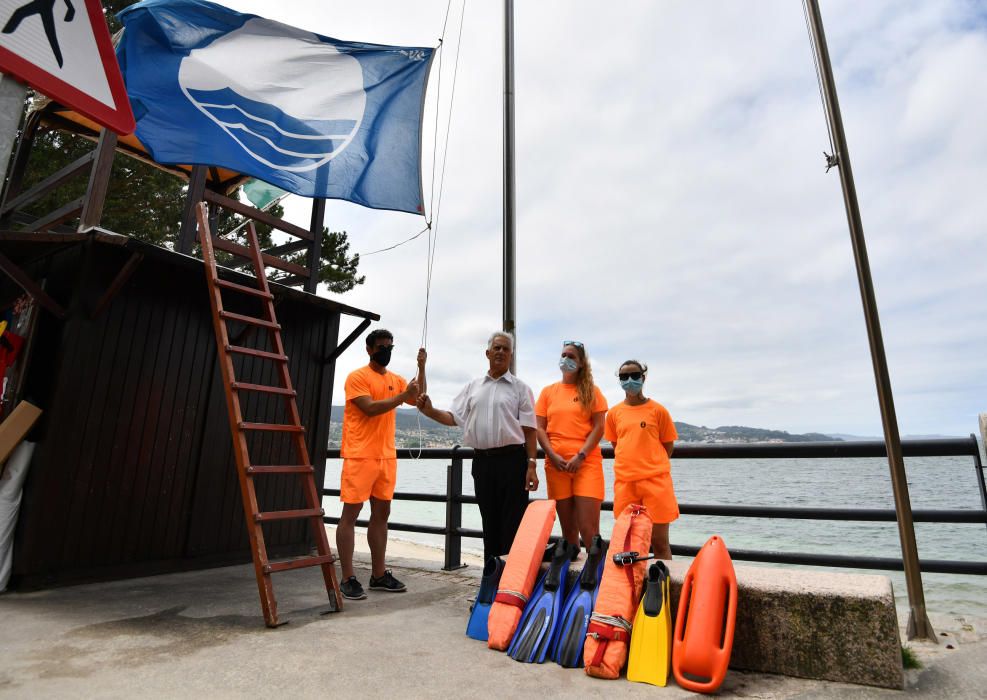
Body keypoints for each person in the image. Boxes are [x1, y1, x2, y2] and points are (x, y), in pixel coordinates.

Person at [416, 331, 539, 560]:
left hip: (513, 461)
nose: (501, 352)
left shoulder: (521, 389)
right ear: (488, 353)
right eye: (497, 348)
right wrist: (429, 410)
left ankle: (509, 585)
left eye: (506, 349)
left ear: (511, 355)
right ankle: (490, 581)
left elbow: (530, 430)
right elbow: (453, 417)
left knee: (512, 524)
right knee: (489, 522)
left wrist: (531, 464)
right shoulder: (473, 387)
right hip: (482, 462)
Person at [337, 328, 423, 600]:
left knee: (381, 515)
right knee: (350, 515)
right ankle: (347, 577)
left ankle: (378, 574)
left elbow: (417, 398)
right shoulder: (357, 377)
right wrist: (402, 396)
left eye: (390, 346)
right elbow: (370, 408)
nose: (386, 350)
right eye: (381, 346)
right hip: (360, 454)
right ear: (369, 349)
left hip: (386, 456)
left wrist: (422, 367)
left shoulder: (396, 379)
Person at [535, 341, 607, 556]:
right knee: (568, 534)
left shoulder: (592, 391)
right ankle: (572, 584)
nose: (566, 359)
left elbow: (599, 427)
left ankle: (599, 580)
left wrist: (581, 455)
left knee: (589, 530)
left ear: (582, 362)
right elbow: (539, 428)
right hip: (556, 466)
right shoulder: (548, 392)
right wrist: (552, 455)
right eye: (564, 355)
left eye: (572, 356)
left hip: (586, 464)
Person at [604, 360, 679, 559]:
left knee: (660, 543)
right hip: (625, 484)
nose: (630, 380)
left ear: (643, 378)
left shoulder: (658, 410)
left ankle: (664, 587)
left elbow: (667, 446)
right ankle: (632, 588)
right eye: (624, 377)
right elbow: (617, 445)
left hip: (656, 483)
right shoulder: (613, 414)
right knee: (628, 542)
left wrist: (650, 465)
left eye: (635, 375)